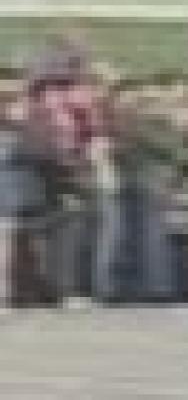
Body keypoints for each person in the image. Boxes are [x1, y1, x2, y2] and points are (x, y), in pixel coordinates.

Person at [22, 26, 119, 305]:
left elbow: (91, 126)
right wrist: (76, 164)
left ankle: (74, 288)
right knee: (70, 229)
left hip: (68, 164)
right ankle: (67, 289)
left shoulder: (54, 90)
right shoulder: (63, 92)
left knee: (77, 228)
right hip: (67, 166)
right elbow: (77, 129)